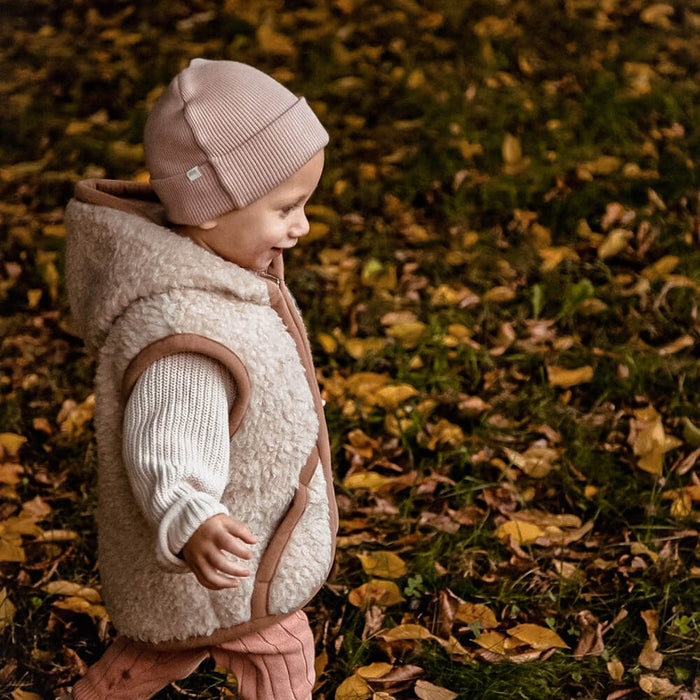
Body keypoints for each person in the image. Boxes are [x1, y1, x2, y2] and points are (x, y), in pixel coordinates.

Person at [62, 58, 338, 700]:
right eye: (287, 207)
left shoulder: (217, 277)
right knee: (279, 647)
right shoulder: (185, 332)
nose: (302, 225)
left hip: (216, 562)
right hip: (218, 558)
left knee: (151, 656)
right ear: (212, 209)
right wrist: (191, 518)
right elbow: (165, 447)